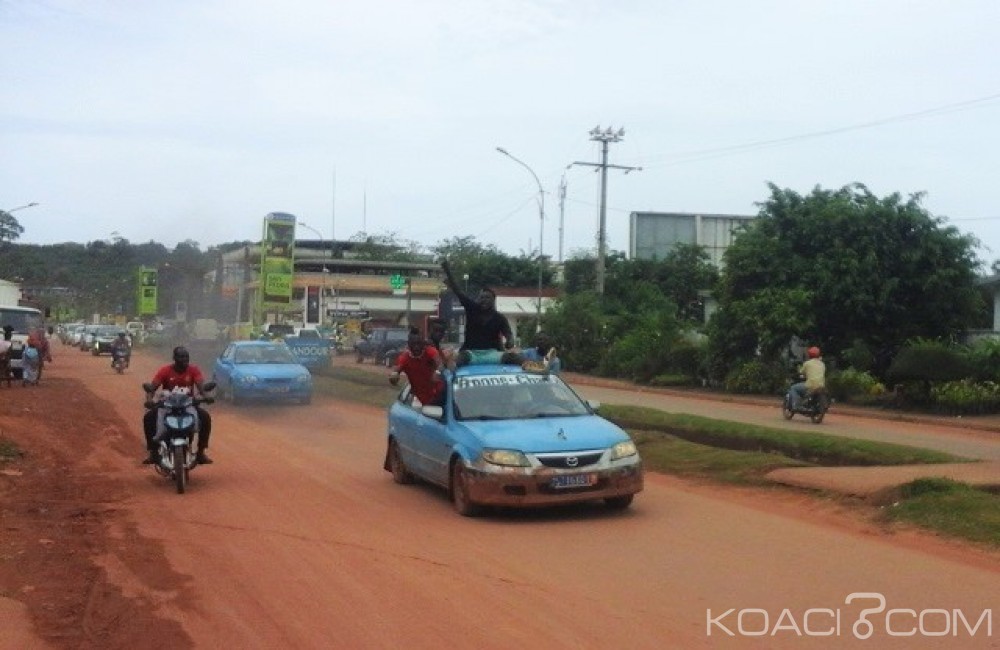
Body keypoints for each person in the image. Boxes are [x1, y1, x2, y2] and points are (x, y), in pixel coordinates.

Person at [142, 346, 214, 465]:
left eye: (186, 357)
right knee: (148, 418)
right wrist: (150, 400)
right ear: (174, 358)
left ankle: (201, 452)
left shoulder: (193, 370)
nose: (185, 359)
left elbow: (201, 387)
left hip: (187, 405)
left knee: (205, 417)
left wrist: (206, 397)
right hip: (167, 406)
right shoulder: (165, 370)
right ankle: (153, 452)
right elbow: (152, 388)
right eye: (181, 357)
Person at [440, 259, 513, 353]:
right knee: (453, 361)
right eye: (481, 297)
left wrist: (510, 341)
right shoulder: (472, 308)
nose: (484, 300)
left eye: (487, 298)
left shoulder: (500, 318)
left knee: (514, 358)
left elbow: (508, 333)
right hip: (470, 353)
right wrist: (448, 271)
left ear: (493, 300)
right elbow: (458, 291)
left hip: (493, 354)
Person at [388, 329, 445, 406]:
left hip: (441, 394)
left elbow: (440, 363)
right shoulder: (404, 359)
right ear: (409, 344)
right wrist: (393, 377)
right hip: (424, 400)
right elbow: (395, 371)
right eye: (413, 344)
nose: (416, 347)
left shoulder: (430, 351)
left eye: (419, 344)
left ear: (423, 343)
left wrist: (437, 372)